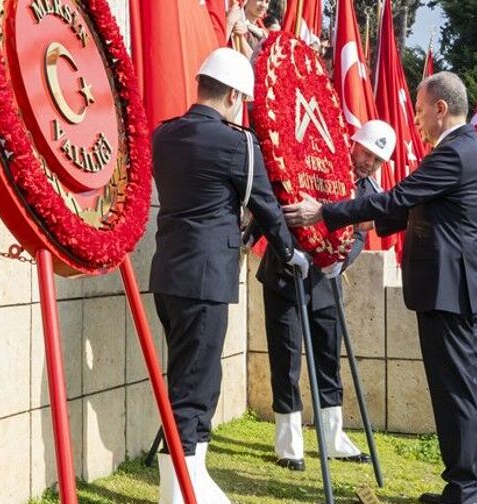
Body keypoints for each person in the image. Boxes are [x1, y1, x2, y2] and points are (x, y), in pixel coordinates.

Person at [282, 72, 477, 504]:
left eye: (419, 110)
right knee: (470, 391)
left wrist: (324, 212)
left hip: (449, 293)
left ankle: (465, 490)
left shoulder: (453, 154)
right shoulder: (468, 151)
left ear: (440, 108)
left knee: (457, 393)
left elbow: (399, 197)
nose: (416, 119)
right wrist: (364, 217)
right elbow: (416, 207)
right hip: (459, 291)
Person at [149, 47, 310, 504]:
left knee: (186, 374)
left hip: (169, 272)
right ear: (236, 95)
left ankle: (187, 477)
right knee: (196, 383)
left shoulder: (164, 135)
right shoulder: (239, 143)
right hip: (205, 277)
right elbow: (266, 208)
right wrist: (290, 253)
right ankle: (179, 488)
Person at [255, 120, 396, 472]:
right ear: (353, 143)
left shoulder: (369, 189)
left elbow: (360, 235)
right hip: (288, 270)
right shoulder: (314, 161)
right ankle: (289, 440)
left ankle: (332, 437)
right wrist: (292, 252)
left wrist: (339, 261)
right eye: (367, 153)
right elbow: (281, 208)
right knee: (286, 357)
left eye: (377, 160)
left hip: (326, 281)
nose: (369, 163)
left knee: (328, 358)